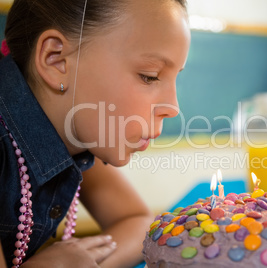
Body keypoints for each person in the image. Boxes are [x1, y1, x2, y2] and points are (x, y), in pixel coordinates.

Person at [0, 0, 190, 267]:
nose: (173, 108)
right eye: (150, 75)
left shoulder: (76, 134)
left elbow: (138, 222)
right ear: (56, 60)